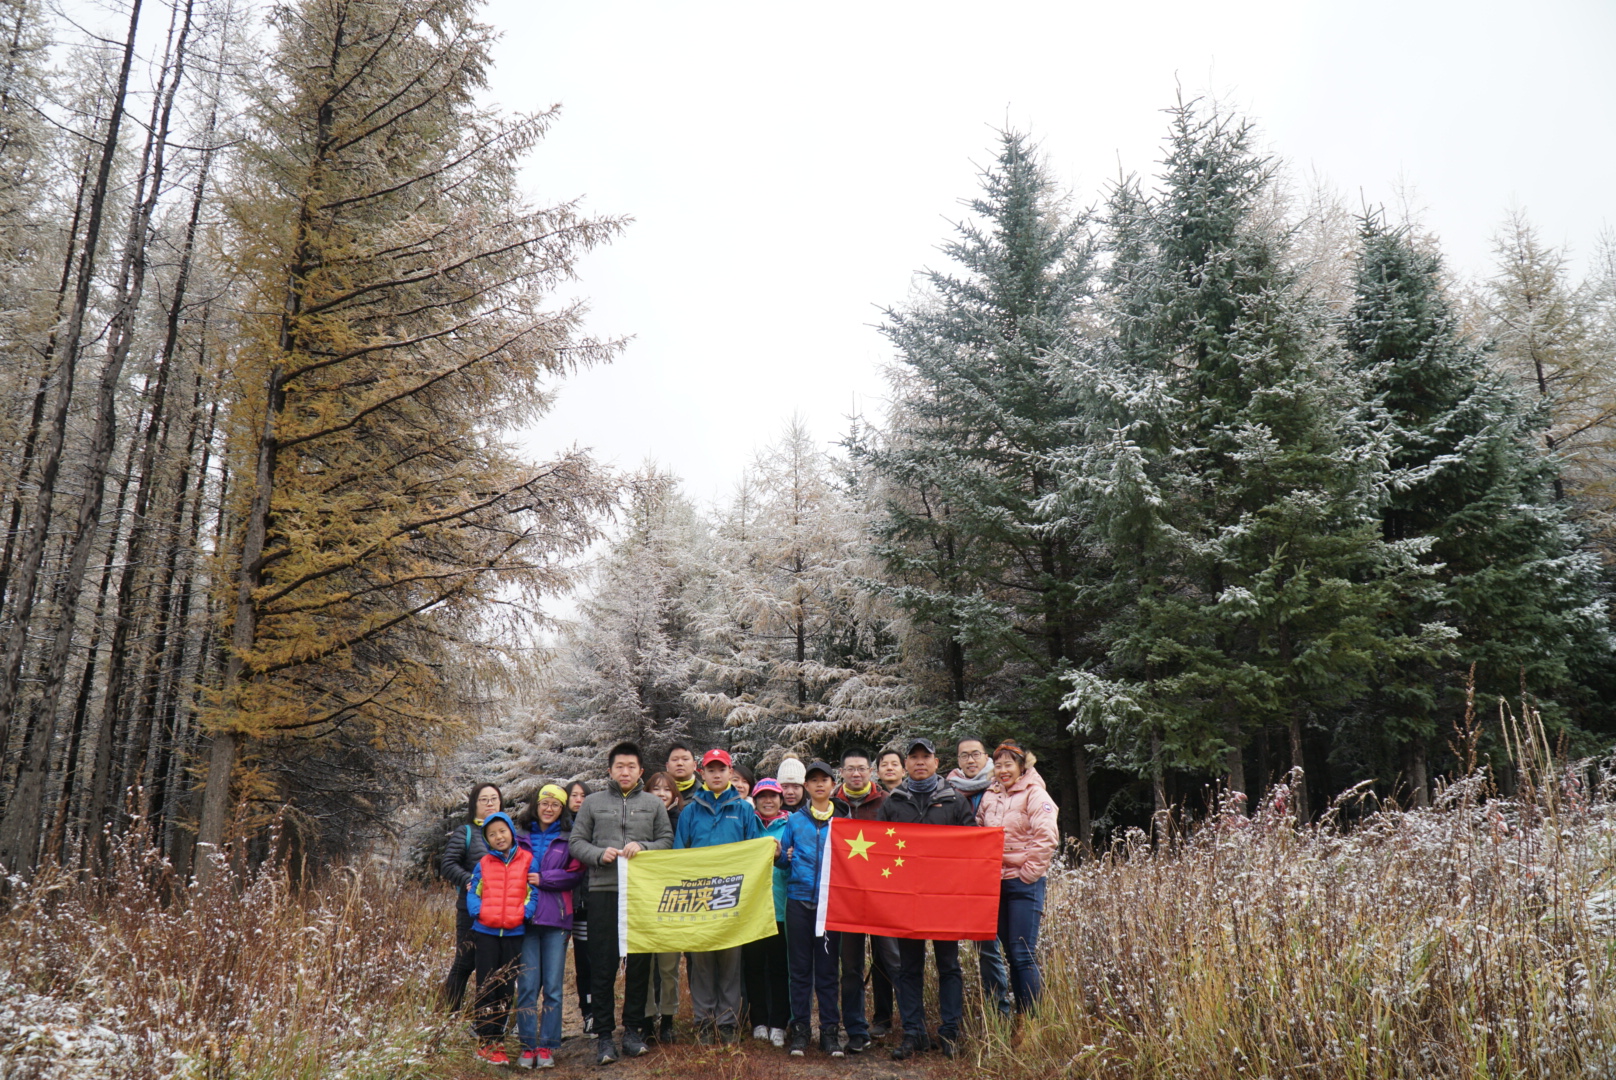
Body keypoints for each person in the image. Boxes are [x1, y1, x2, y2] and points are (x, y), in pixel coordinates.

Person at [570, 742, 674, 1065]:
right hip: (603, 892)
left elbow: (666, 841)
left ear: (640, 771)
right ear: (610, 770)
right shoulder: (593, 803)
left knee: (640, 964)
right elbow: (576, 842)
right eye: (619, 766)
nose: (625, 772)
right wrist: (598, 854)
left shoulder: (653, 804)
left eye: (631, 766)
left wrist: (644, 847)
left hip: (641, 894)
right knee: (603, 965)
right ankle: (604, 1036)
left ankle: (632, 1031)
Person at [877, 738, 974, 1060]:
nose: (920, 762)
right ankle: (913, 1033)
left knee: (949, 966)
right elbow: (879, 850)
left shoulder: (955, 801)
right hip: (906, 899)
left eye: (925, 757)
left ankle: (950, 1032)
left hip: (945, 898)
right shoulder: (893, 803)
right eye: (914, 757)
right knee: (909, 968)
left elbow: (972, 848)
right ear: (906, 764)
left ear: (936, 762)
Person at [674, 748, 764, 1044]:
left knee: (730, 961)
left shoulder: (744, 810)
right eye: (711, 770)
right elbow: (678, 854)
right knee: (701, 962)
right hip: (699, 897)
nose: (716, 774)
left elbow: (755, 850)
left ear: (730, 773)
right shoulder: (690, 811)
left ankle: (727, 1022)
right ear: (702, 773)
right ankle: (703, 1021)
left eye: (721, 769)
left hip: (732, 896)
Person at [976, 741, 1059, 1013]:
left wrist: (1028, 874)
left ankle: (1031, 1019)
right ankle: (1020, 1016)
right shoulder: (990, 795)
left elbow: (1047, 837)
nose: (1003, 770)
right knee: (1011, 953)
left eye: (1008, 764)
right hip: (995, 882)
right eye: (998, 765)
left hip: (1024, 883)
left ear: (1022, 765)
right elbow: (978, 830)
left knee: (1023, 953)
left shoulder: (1035, 794)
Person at [778, 760, 848, 1058]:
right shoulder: (795, 821)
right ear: (806, 786)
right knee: (799, 970)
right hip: (798, 902)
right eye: (814, 780)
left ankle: (830, 1033)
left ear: (833, 785)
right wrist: (782, 855)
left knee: (828, 971)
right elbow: (783, 863)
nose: (820, 784)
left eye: (825, 779)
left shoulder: (844, 821)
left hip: (830, 906)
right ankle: (801, 1031)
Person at [514, 784, 586, 1068]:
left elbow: (575, 874)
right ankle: (527, 1046)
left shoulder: (570, 837)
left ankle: (547, 1046)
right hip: (525, 919)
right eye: (545, 803)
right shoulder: (520, 836)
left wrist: (544, 879)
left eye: (556, 805)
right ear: (536, 805)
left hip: (557, 919)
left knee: (553, 987)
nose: (549, 808)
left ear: (562, 809)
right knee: (528, 986)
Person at [833, 747, 898, 1053]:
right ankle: (856, 1029)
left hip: (883, 897)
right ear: (842, 772)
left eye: (861, 768)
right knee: (851, 967)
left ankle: (899, 1023)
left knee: (891, 960)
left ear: (871, 772)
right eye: (850, 769)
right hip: (845, 900)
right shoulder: (831, 805)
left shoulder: (888, 802)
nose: (856, 774)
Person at [947, 735, 1013, 1020]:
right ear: (958, 760)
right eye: (964, 755)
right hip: (958, 879)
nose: (970, 760)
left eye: (975, 754)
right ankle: (962, 1015)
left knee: (992, 947)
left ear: (986, 757)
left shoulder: (1001, 786)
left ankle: (1002, 1013)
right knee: (960, 949)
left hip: (995, 877)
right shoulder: (948, 791)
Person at [466, 811, 538, 1066]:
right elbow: (473, 892)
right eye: (492, 834)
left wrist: (524, 914)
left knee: (506, 988)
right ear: (487, 839)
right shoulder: (483, 863)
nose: (498, 837)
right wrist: (479, 912)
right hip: (486, 933)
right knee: (486, 985)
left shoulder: (527, 860)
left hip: (513, 934)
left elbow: (533, 892)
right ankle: (485, 1042)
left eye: (502, 831)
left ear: (511, 832)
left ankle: (498, 1039)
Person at [439, 782, 501, 1012]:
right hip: (470, 910)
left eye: (494, 799)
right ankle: (449, 1015)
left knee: (493, 966)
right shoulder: (465, 832)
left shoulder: (506, 832)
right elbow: (447, 864)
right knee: (464, 962)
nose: (489, 803)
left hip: (500, 911)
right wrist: (471, 880)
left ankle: (485, 1016)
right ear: (474, 804)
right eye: (484, 799)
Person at [744, 778, 791, 1047]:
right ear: (755, 800)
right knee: (753, 968)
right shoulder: (748, 824)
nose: (768, 801)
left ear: (781, 799)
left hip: (780, 908)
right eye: (762, 796)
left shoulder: (791, 824)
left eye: (773, 796)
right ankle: (759, 1021)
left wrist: (781, 856)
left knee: (779, 968)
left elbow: (796, 860)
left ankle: (779, 1023)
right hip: (751, 909)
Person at [643, 772, 686, 1044]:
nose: (661, 794)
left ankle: (668, 1019)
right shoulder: (640, 819)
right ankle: (647, 1020)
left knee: (669, 965)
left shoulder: (683, 819)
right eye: (656, 789)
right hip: (645, 898)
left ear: (674, 795)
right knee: (646, 965)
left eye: (667, 789)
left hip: (674, 900)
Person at [565, 781, 593, 1034]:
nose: (579, 800)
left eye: (583, 795)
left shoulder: (595, 825)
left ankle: (590, 1012)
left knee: (587, 961)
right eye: (573, 795)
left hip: (588, 904)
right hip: (562, 905)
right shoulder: (559, 828)